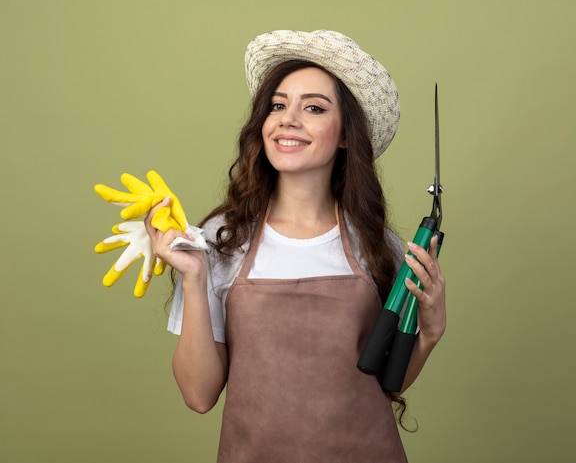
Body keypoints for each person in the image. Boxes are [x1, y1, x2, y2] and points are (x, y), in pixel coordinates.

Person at [145, 29, 446, 463]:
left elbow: (387, 382)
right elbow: (198, 395)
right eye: (278, 105)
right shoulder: (219, 241)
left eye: (314, 108)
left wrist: (431, 333)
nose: (288, 119)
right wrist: (193, 278)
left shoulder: (379, 244)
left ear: (345, 135)